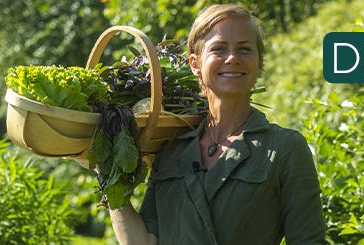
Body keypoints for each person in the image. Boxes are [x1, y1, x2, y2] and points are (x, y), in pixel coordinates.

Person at [107, 4, 326, 244]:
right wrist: (106, 173)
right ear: (195, 64)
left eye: (244, 49)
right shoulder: (172, 152)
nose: (232, 58)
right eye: (218, 49)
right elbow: (144, 241)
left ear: (259, 63)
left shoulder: (283, 148)